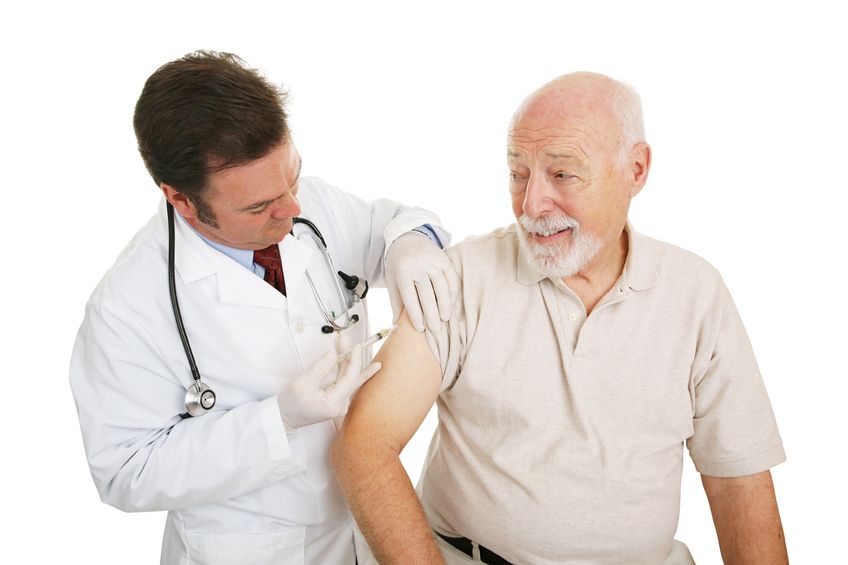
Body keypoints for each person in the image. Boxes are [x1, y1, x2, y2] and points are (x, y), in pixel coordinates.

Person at [332, 72, 788, 564]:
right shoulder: (463, 277)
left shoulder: (695, 292)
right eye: (518, 173)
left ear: (635, 170)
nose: (531, 205)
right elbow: (366, 442)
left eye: (562, 174)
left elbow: (738, 482)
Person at [69, 51, 458, 565]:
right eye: (259, 207)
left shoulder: (307, 206)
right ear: (181, 200)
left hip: (367, 524)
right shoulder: (127, 307)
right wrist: (277, 421)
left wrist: (412, 241)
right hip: (252, 549)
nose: (292, 209)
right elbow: (125, 473)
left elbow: (394, 222)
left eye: (293, 178)